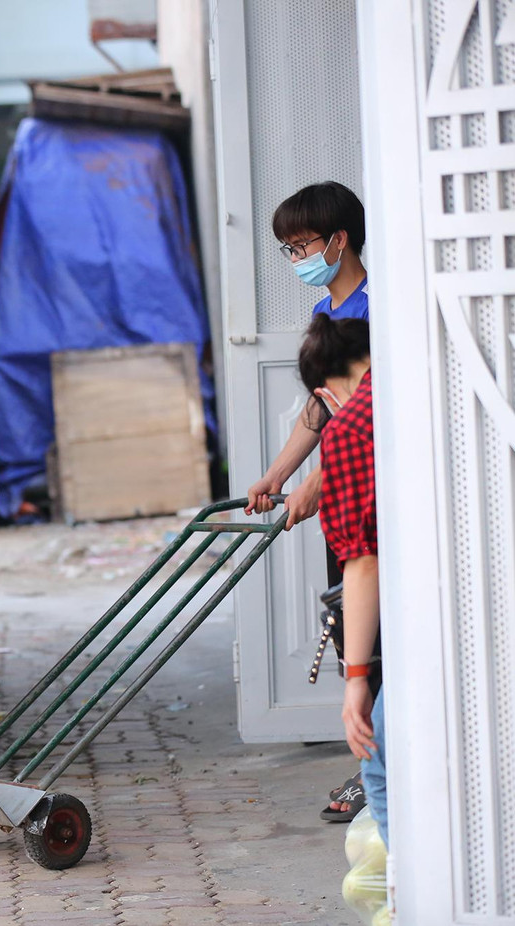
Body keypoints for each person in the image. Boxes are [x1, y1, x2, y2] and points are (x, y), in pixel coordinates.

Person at [244, 181, 371, 821]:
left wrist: (317, 487)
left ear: (339, 239)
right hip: (346, 492)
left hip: (369, 497)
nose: (296, 257)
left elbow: (366, 421)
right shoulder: (329, 310)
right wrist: (275, 476)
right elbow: (321, 408)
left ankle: (374, 768)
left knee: (373, 637)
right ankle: (373, 761)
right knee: (353, 625)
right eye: (289, 248)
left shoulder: (377, 309)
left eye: (303, 245)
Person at [296, 315, 384, 845]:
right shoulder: (420, 384)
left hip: (419, 616)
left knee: (380, 771)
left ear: (326, 392)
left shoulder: (350, 430)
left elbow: (364, 561)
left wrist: (356, 680)